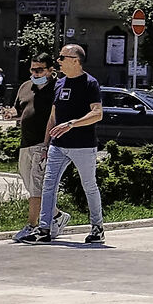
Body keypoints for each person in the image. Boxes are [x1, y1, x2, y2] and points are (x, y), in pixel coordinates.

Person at [37, 44, 107, 245]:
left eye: (62, 57)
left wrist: (72, 124)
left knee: (89, 186)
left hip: (83, 146)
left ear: (75, 60)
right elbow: (53, 116)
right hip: (58, 145)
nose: (57, 61)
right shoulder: (59, 83)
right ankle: (44, 228)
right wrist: (45, 145)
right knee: (48, 185)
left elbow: (97, 113)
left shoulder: (90, 83)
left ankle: (97, 228)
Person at [9, 56, 56, 243]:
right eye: (32, 70)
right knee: (29, 183)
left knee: (36, 186)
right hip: (25, 143)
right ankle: (57, 215)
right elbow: (18, 110)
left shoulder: (56, 88)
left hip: (42, 143)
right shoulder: (25, 87)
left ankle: (33, 225)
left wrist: (47, 145)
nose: (35, 74)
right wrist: (10, 114)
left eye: (39, 70)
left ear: (50, 70)